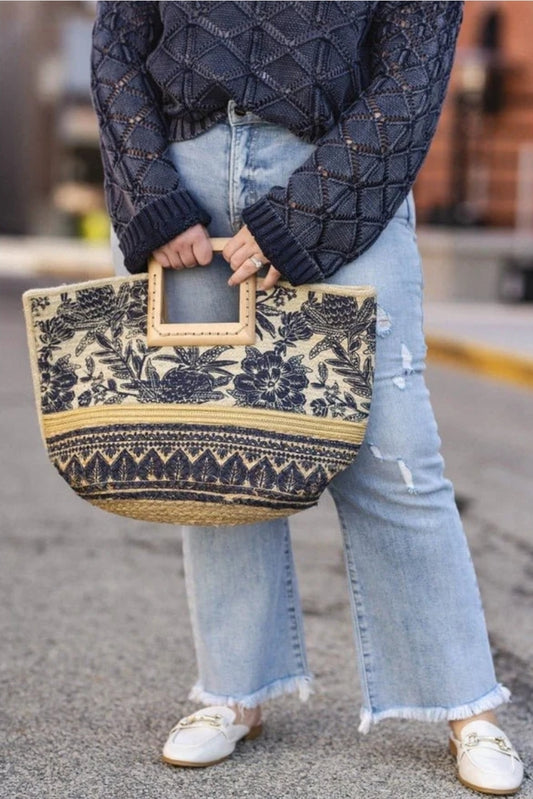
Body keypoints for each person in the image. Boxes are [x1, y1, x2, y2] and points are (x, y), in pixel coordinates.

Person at [90, 2, 524, 793]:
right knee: (214, 451)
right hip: (187, 177)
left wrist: (304, 216)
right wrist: (149, 196)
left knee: (393, 450)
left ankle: (466, 703)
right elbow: (118, 42)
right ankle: (233, 691)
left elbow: (410, 79)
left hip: (340, 174)